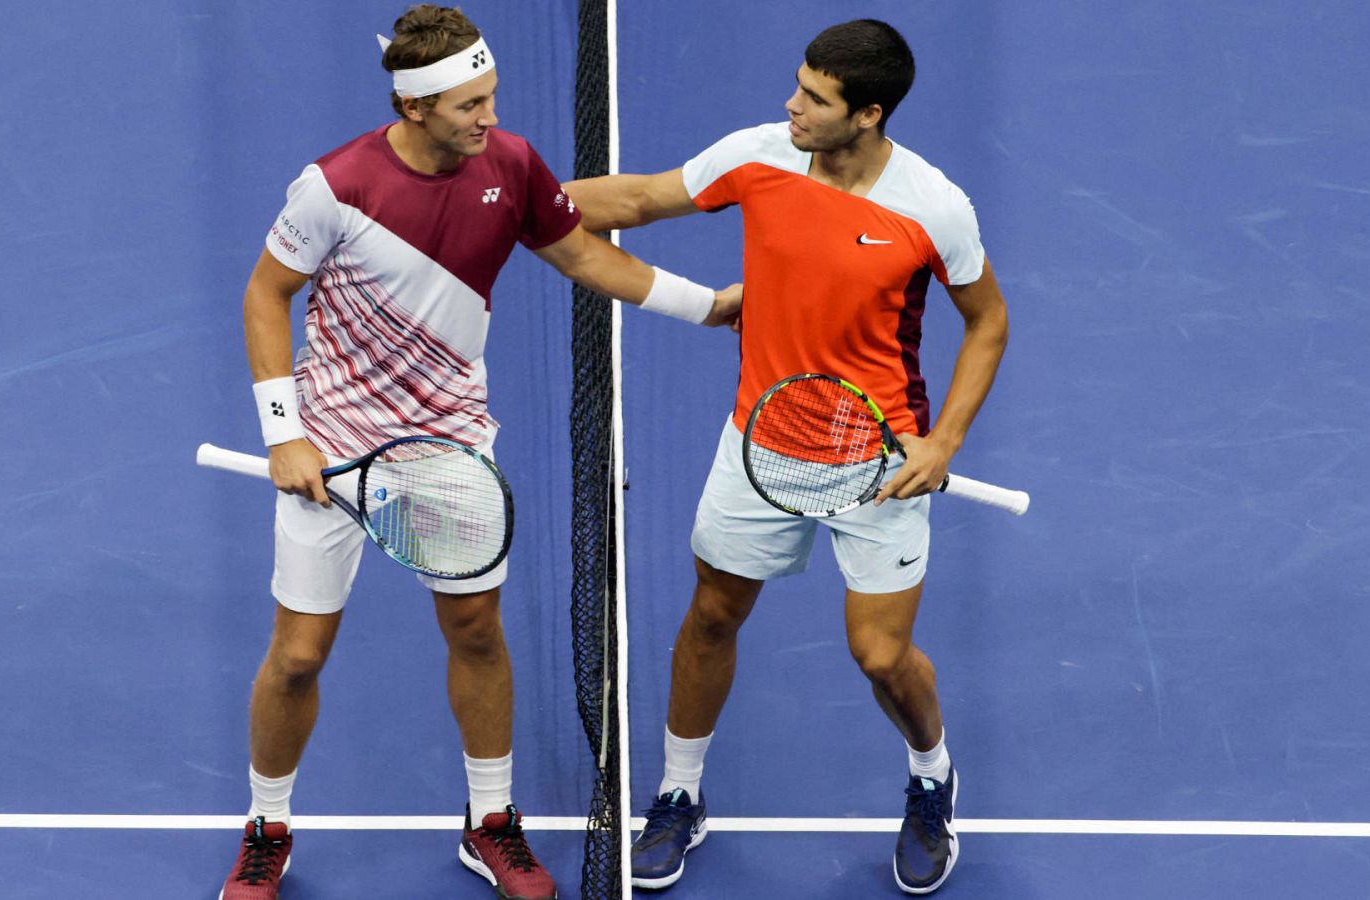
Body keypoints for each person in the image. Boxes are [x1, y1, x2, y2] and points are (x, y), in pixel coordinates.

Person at [219, 5, 740, 900]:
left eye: (491, 97)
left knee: (475, 632)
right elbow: (267, 296)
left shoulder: (511, 164)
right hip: (334, 453)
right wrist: (284, 433)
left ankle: (491, 822)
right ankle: (267, 826)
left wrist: (707, 307)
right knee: (299, 654)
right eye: (469, 104)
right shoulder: (334, 186)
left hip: (450, 449)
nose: (488, 117)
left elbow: (581, 254)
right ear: (415, 108)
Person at [563, 19, 1009, 895]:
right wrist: (506, 194)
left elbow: (987, 321)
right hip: (760, 440)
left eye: (814, 98)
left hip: (877, 457)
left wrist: (944, 439)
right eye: (798, 86)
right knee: (713, 615)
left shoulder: (933, 205)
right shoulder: (759, 154)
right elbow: (640, 200)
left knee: (881, 656)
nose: (791, 105)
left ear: (869, 115)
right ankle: (680, 794)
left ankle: (932, 776)